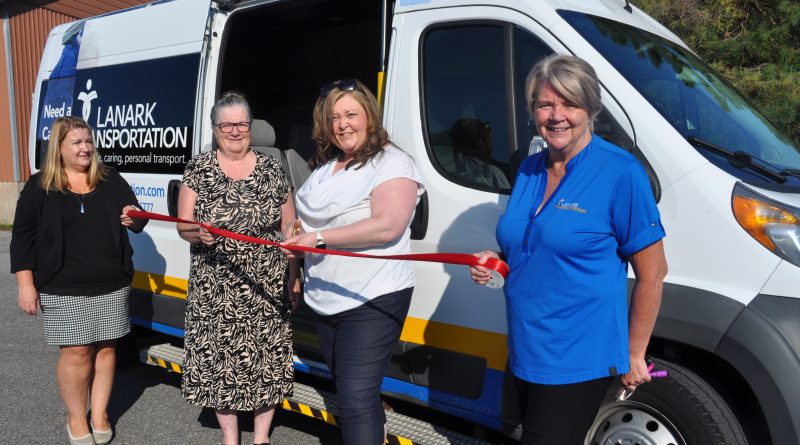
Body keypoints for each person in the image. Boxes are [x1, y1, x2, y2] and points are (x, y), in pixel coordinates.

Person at [470, 55, 668, 445]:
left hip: (577, 356)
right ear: (533, 110)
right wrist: (494, 261)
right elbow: (526, 244)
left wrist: (634, 354)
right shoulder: (529, 168)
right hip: (526, 346)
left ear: (590, 109)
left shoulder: (620, 173)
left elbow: (653, 273)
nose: (557, 115)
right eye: (546, 104)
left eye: (570, 104)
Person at [283, 79, 425, 445]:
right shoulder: (326, 168)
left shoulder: (393, 162)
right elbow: (303, 225)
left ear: (369, 117)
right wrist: (296, 271)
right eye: (334, 117)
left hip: (373, 294)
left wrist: (316, 239)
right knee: (354, 392)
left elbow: (386, 226)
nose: (343, 124)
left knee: (354, 398)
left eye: (351, 114)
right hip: (326, 296)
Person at [10, 115, 147, 445]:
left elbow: (137, 217)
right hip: (62, 286)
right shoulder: (40, 186)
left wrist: (134, 217)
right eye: (77, 142)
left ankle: (99, 413)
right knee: (76, 353)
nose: (85, 148)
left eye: (88, 141)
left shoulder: (110, 179)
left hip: (111, 284)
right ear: (59, 148)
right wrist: (26, 285)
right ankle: (76, 416)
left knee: (106, 351)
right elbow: (22, 238)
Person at [176, 91, 299, 445]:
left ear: (251, 126)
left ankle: (261, 437)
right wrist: (196, 233)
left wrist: (294, 277)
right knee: (219, 362)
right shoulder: (199, 168)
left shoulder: (273, 168)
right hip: (216, 285)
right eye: (226, 124)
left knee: (266, 358)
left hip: (265, 284)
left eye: (242, 123)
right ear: (215, 129)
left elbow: (290, 230)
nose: (235, 131)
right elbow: (183, 225)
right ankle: (231, 438)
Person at [448, 117, 511, 189]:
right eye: (486, 134)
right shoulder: (493, 174)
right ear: (479, 143)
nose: (491, 136)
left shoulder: (454, 167)